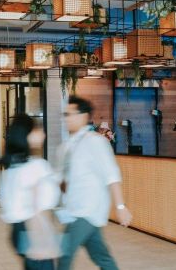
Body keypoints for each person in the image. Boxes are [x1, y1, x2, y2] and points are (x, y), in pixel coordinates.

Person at [57, 96, 133, 270]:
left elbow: (112, 176)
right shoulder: (66, 146)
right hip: (73, 210)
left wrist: (121, 207)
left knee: (65, 254)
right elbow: (64, 180)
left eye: (70, 114)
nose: (66, 118)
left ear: (83, 116)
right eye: (65, 114)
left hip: (87, 211)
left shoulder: (96, 142)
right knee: (101, 257)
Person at [0, 114, 61, 270]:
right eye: (38, 129)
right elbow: (38, 211)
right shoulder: (37, 167)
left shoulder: (10, 169)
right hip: (33, 233)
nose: (43, 133)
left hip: (17, 233)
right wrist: (43, 241)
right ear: (26, 135)